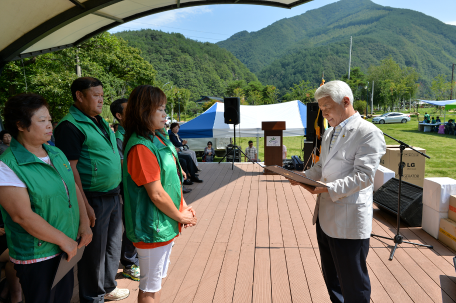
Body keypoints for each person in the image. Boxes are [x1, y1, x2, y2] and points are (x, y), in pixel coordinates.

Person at [288, 81, 386, 303]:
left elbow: (364, 177)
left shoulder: (368, 132)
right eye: (321, 108)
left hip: (348, 221)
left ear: (346, 101)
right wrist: (303, 177)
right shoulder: (330, 132)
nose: (323, 113)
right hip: (325, 218)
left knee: (354, 284)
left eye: (326, 107)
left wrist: (326, 188)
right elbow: (322, 167)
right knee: (333, 281)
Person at [0, 93, 92, 303]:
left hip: (67, 246)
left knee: (63, 297)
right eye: (42, 121)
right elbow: (22, 216)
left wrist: (84, 223)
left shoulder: (56, 153)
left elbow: (72, 187)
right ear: (21, 125)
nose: (49, 125)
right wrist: (65, 242)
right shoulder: (7, 166)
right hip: (38, 254)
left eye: (49, 119)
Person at [54, 77, 129, 302]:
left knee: (113, 246)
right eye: (96, 95)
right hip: (93, 197)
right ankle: (92, 296)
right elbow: (70, 170)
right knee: (94, 252)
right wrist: (84, 205)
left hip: (113, 194)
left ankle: (108, 287)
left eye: (102, 96)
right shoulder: (69, 126)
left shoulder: (100, 121)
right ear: (79, 96)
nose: (100, 100)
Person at [122, 85, 197, 303]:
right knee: (149, 288)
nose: (165, 115)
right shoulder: (141, 147)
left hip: (164, 223)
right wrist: (180, 215)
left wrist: (183, 206)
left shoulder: (159, 138)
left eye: (165, 109)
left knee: (156, 283)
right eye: (160, 109)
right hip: (152, 228)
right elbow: (155, 194)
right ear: (144, 111)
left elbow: (172, 179)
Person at [110, 98, 140, 282]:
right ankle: (129, 263)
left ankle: (134, 258)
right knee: (130, 222)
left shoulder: (132, 132)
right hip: (127, 186)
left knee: (135, 222)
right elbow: (124, 164)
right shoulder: (119, 137)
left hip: (135, 184)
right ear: (119, 115)